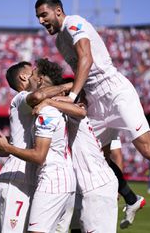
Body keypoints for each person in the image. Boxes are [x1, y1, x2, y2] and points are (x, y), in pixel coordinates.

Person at [35, 0, 150, 229]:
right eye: (38, 17)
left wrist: (72, 96)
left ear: (58, 11)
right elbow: (81, 73)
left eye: (44, 15)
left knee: (146, 147)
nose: (41, 21)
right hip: (94, 99)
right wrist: (80, 97)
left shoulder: (74, 23)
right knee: (93, 157)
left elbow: (86, 59)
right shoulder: (59, 42)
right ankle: (131, 199)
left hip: (115, 92)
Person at [0, 59, 76, 233]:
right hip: (17, 178)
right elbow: (37, 96)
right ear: (24, 77)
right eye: (33, 71)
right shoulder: (22, 97)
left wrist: (8, 143)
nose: (36, 75)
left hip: (34, 177)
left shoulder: (42, 107)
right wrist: (69, 86)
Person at [32, 76, 118, 232]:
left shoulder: (76, 110)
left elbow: (81, 111)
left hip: (97, 184)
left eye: (64, 93)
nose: (58, 96)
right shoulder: (66, 115)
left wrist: (50, 102)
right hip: (92, 185)